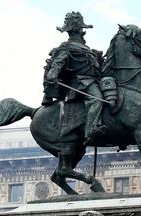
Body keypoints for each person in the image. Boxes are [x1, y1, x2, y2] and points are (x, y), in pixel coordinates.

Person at [43, 11, 110, 145]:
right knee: (96, 100)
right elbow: (58, 64)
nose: (81, 31)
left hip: (93, 81)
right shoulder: (66, 47)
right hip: (81, 83)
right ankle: (91, 130)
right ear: (77, 30)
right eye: (80, 28)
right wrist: (53, 73)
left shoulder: (85, 48)